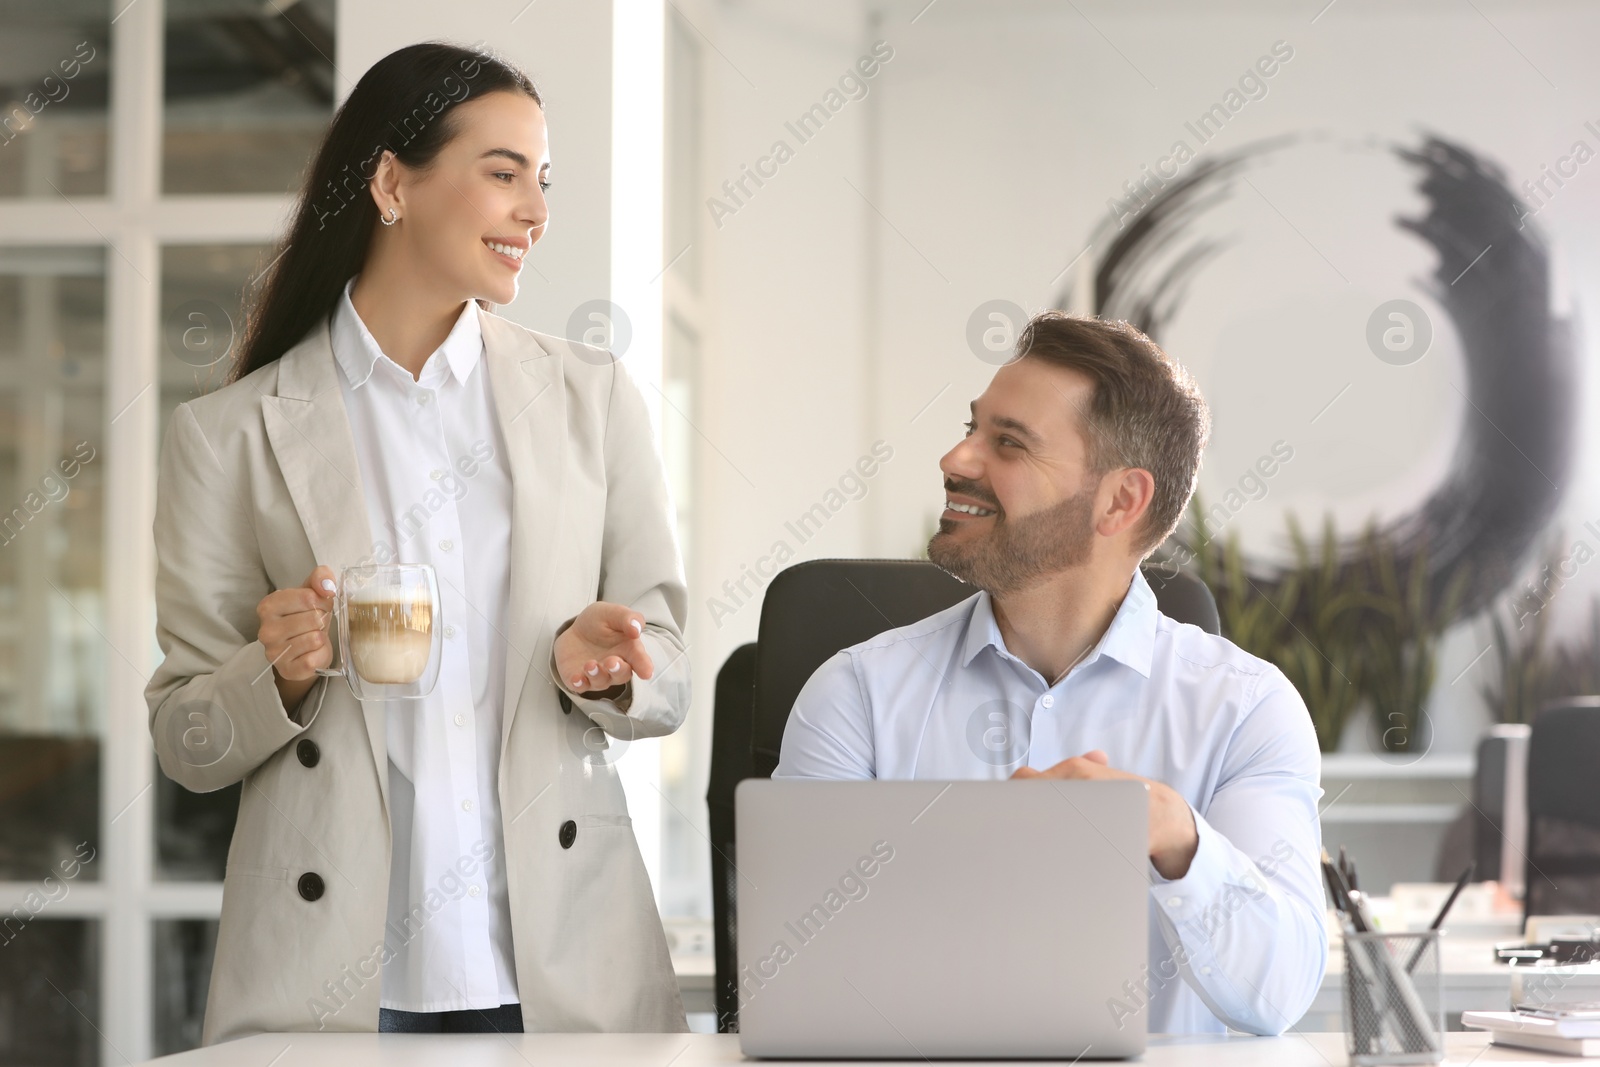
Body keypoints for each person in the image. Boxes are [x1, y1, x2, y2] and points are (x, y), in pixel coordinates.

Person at [146, 42, 690, 1042]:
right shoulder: (228, 433)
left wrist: (608, 666)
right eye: (502, 173)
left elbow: (672, 668)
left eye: (543, 179)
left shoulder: (590, 398)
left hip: (561, 960)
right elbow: (187, 743)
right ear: (392, 181)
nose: (535, 209)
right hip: (332, 980)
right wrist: (276, 673)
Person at [775, 312, 1326, 1035]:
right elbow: (793, 979)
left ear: (1120, 500)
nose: (956, 458)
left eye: (1008, 443)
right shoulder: (857, 695)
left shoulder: (1248, 709)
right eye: (973, 428)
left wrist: (1174, 834)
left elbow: (1279, 993)